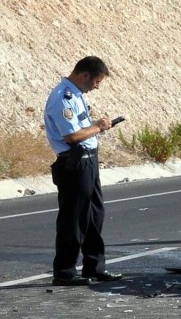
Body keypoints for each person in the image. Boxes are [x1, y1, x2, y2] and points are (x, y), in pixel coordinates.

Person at [44, 56, 123, 286]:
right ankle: (64, 272)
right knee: (73, 219)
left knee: (93, 215)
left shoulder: (76, 95)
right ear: (84, 75)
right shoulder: (63, 97)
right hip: (75, 163)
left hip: (89, 162)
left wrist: (97, 127)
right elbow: (72, 136)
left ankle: (94, 267)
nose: (97, 86)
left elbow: (81, 130)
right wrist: (98, 127)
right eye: (96, 81)